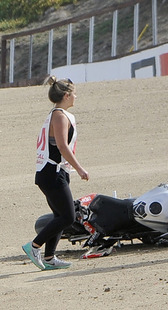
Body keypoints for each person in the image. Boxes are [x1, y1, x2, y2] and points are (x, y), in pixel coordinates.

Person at [22, 76, 89, 270]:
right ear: (67, 95)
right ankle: (34, 246)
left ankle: (50, 257)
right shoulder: (59, 115)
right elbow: (62, 146)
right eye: (74, 93)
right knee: (67, 217)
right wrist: (79, 168)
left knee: (59, 215)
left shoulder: (58, 114)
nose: (76, 97)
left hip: (53, 172)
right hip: (52, 172)